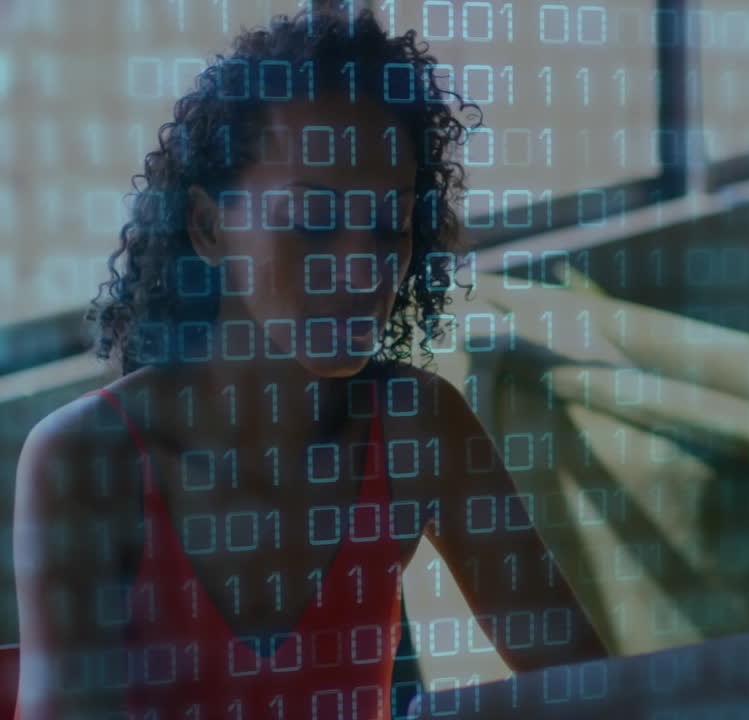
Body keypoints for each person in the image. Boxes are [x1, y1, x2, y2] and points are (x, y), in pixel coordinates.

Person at [12, 8, 609, 719]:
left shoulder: (418, 431)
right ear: (208, 228)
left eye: (391, 224)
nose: (364, 270)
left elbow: (594, 692)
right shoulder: (88, 464)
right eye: (312, 222)